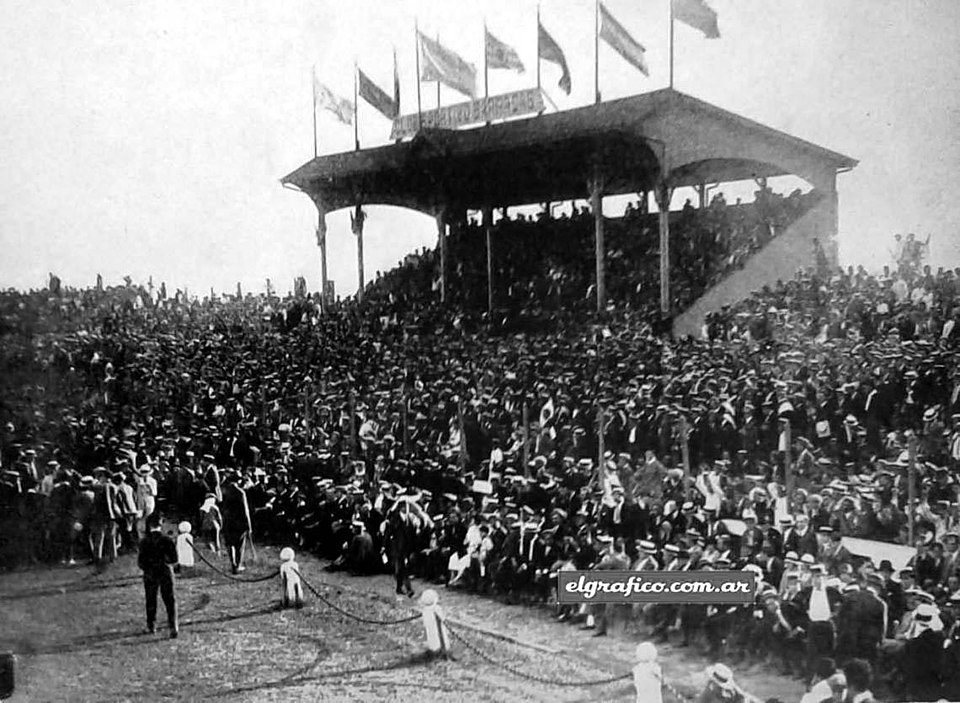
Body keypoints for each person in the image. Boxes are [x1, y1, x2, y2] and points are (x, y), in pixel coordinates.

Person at [137, 513, 179, 638]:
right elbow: (174, 559)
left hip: (150, 572)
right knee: (170, 600)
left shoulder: (144, 542)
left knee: (151, 599)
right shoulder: (167, 540)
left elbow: (140, 562)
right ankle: (173, 626)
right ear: (160, 525)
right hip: (165, 571)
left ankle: (151, 625)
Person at [220, 471, 252, 574]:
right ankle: (238, 565)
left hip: (228, 521)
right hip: (239, 522)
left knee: (230, 543)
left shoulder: (225, 492)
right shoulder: (241, 492)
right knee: (239, 545)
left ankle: (232, 562)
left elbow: (223, 507)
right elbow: (245, 510)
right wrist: (249, 525)